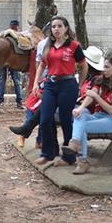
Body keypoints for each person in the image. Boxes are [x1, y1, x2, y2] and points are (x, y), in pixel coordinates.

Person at [62, 53, 112, 175]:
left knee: (81, 127)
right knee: (79, 115)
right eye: (104, 66)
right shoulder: (100, 80)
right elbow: (90, 95)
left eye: (107, 67)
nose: (104, 70)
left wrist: (97, 97)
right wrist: (81, 108)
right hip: (98, 115)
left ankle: (82, 159)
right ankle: (76, 144)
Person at [33, 16, 87, 166]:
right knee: (45, 119)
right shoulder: (48, 45)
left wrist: (80, 85)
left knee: (65, 120)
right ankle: (48, 153)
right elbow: (42, 65)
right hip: (50, 85)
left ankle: (69, 157)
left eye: (59, 26)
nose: (56, 29)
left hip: (68, 85)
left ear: (66, 28)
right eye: (53, 26)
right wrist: (36, 83)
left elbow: (84, 66)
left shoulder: (74, 46)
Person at [0, 19, 24, 110]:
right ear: (17, 27)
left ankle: (0, 101)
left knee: (2, 80)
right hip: (14, 61)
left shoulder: (3, 36)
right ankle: (19, 102)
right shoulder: (19, 37)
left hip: (2, 60)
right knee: (17, 81)